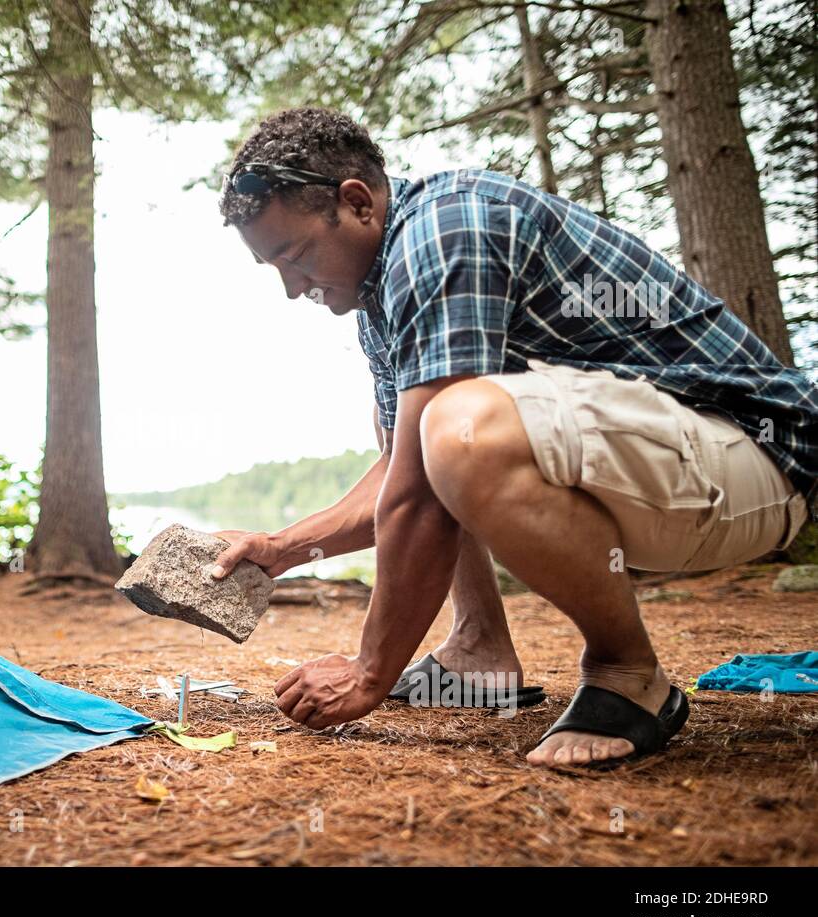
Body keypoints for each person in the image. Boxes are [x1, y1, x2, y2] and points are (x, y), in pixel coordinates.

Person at [208, 107, 817, 767]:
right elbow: (399, 471)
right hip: (669, 472)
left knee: (458, 422)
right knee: (429, 424)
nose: (292, 287)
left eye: (294, 256)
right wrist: (281, 548)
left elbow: (416, 496)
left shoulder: (446, 230)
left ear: (356, 203)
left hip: (756, 462)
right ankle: (478, 652)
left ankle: (626, 674)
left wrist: (370, 672)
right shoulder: (381, 291)